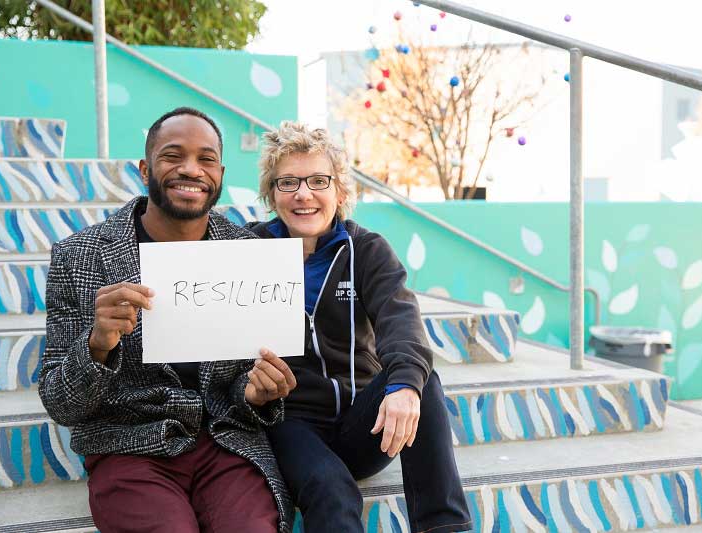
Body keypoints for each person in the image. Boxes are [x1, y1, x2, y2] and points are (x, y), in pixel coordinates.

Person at [39, 107, 296, 533]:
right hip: (129, 448)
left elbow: (245, 384)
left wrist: (258, 394)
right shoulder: (79, 256)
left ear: (221, 173)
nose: (190, 169)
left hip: (225, 444)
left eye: (206, 159)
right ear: (145, 169)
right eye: (172, 156)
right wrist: (96, 345)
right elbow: (60, 403)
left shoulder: (248, 253)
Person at [246, 122, 471, 533]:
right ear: (271, 192)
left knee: (420, 378)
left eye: (318, 180)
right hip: (290, 423)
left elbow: (401, 320)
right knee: (333, 489)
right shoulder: (246, 248)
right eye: (288, 182)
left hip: (362, 421)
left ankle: (445, 527)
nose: (303, 193)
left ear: (339, 191)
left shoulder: (366, 249)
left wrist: (403, 385)